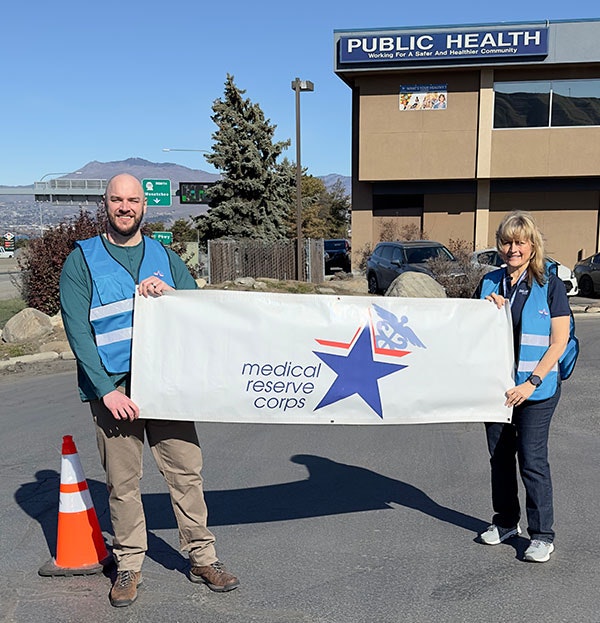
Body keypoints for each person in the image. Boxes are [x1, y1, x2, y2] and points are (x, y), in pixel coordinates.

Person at [59, 174, 239, 607]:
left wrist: (172, 293)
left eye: (133, 200)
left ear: (144, 206)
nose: (125, 207)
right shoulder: (81, 261)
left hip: (166, 385)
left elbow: (195, 308)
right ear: (106, 203)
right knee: (123, 483)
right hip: (115, 392)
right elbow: (79, 333)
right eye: (117, 199)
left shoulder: (164, 255)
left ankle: (202, 557)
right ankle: (129, 565)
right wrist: (106, 392)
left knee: (185, 473)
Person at [475, 210, 570, 563]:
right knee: (500, 458)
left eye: (520, 242)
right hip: (498, 390)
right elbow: (468, 333)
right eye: (506, 242)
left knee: (532, 460)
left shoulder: (550, 284)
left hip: (536, 390)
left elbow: (558, 342)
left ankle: (542, 535)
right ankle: (505, 522)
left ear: (532, 246)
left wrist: (531, 383)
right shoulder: (489, 284)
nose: (512, 248)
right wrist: (487, 310)